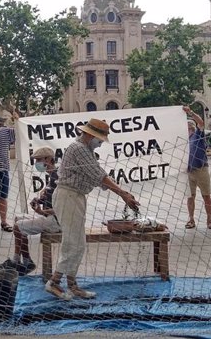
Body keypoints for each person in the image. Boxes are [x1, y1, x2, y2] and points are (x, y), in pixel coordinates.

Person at [45, 118, 140, 300]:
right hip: (68, 196)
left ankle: (72, 286)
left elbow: (99, 174)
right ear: (90, 134)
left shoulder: (86, 149)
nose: (101, 142)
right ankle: (54, 282)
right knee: (72, 242)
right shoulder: (78, 148)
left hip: (76, 196)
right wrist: (123, 194)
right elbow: (100, 177)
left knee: (78, 243)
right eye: (100, 138)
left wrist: (123, 192)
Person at [0, 146, 60, 276]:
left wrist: (42, 212)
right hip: (49, 217)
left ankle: (26, 262)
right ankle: (17, 260)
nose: (37, 163)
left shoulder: (57, 178)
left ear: (49, 160)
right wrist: (40, 200)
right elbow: (51, 199)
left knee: (17, 227)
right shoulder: (51, 177)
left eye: (39, 160)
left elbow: (62, 208)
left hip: (56, 221)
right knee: (17, 218)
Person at [183, 106, 211, 230]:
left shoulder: (198, 135)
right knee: (190, 196)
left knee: (206, 195)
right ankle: (191, 219)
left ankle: (209, 220)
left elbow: (201, 122)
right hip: (188, 171)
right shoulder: (183, 140)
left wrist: (190, 112)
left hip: (201, 169)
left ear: (191, 127)